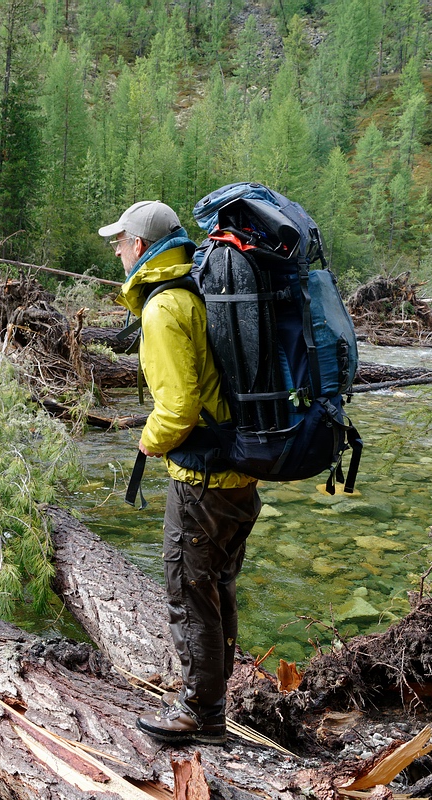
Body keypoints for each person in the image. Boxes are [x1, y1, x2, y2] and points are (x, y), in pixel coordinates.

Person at [98, 200, 261, 746]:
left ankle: (200, 712)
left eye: (120, 242)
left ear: (140, 246)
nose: (117, 252)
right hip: (237, 473)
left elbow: (179, 408)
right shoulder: (192, 291)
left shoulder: (164, 307)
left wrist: (150, 438)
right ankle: (213, 697)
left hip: (201, 481)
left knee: (190, 593)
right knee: (217, 587)